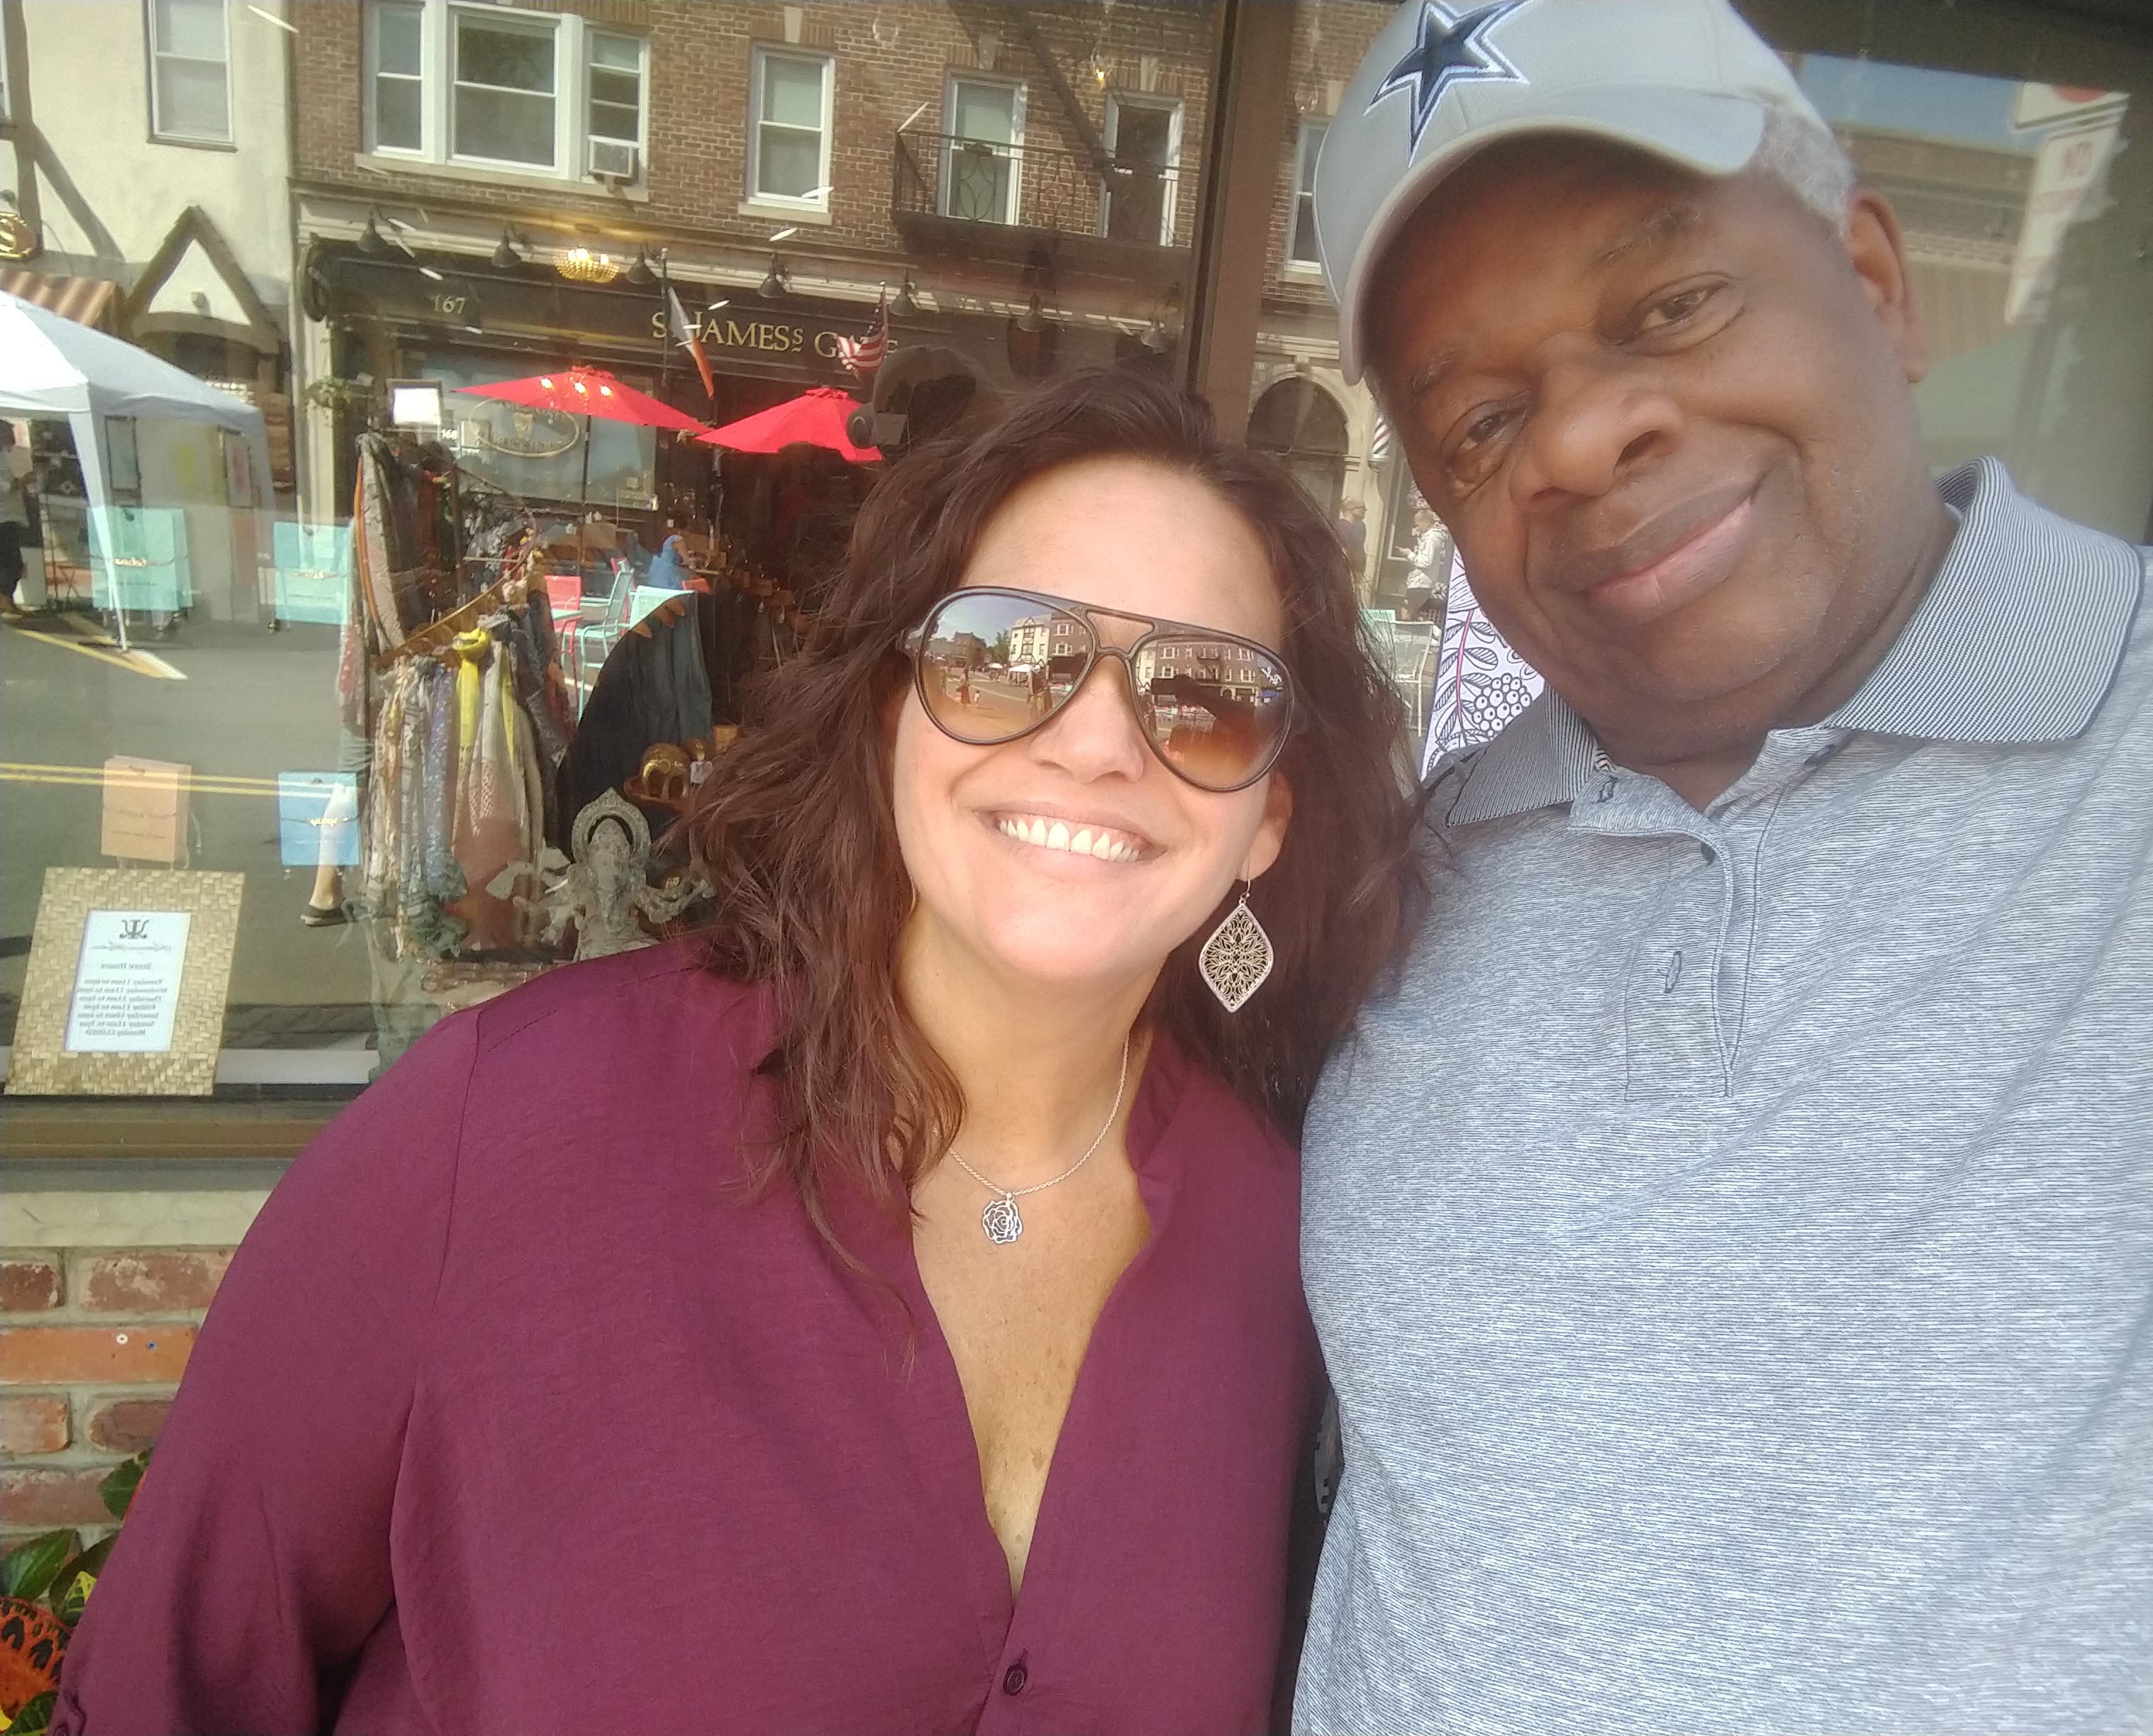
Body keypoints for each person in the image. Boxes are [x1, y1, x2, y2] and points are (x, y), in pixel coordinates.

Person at [56, 367, 1410, 1735]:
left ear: (1269, 817)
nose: (1099, 741)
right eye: (1005, 653)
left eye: (1204, 695)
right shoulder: (504, 1129)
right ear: (889, 713)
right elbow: (168, 1686)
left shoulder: (1282, 1238)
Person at [1294, 1, 2153, 1732]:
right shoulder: (1416, 869)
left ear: (1881, 283)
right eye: (1480, 421)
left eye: (1672, 305)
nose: (1578, 439)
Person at [0, 419, 33, 614]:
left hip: (10, 515)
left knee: (11, 562)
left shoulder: (5, 456)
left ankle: (6, 598)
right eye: (8, 434)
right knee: (11, 562)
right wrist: (17, 483)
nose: (12, 438)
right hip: (3, 518)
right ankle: (4, 597)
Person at [1399, 503, 1449, 620]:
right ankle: (1424, 627)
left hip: (1421, 583)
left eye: (1418, 525)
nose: (1417, 529)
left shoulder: (1431, 538)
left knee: (1406, 613)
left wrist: (1409, 554)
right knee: (1415, 614)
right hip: (1422, 582)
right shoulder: (1432, 537)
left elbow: (1426, 562)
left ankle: (1425, 629)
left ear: (1426, 523)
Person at [647, 512, 696, 588]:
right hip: (668, 576)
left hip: (657, 573)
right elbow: (687, 561)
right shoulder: (679, 540)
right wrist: (696, 560)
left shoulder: (670, 537)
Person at [1333, 496, 1368, 567]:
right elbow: (1343, 550)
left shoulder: (1361, 527)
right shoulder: (1342, 526)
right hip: (1347, 567)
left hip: (1358, 567)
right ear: (1350, 508)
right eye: (1362, 508)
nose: (1365, 510)